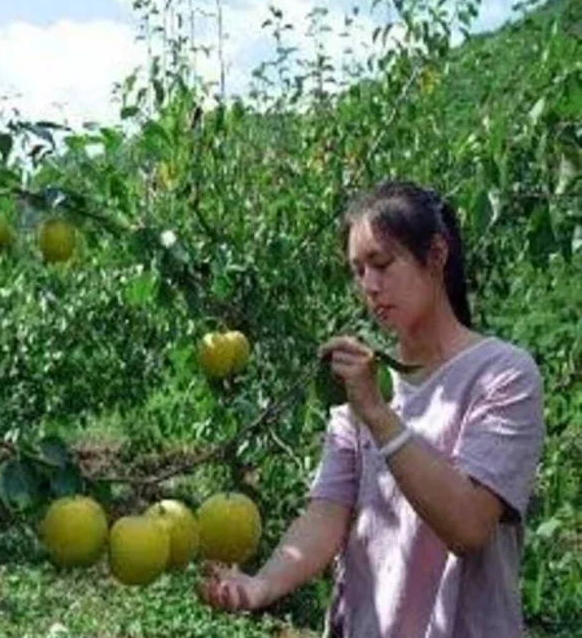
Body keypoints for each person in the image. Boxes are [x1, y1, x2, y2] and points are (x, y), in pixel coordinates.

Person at [196, 180, 546, 637]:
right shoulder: (366, 384)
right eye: (358, 271)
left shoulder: (502, 374)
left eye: (382, 264)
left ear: (437, 255)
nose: (370, 286)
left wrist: (378, 414)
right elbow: (327, 513)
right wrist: (262, 586)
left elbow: (468, 525)